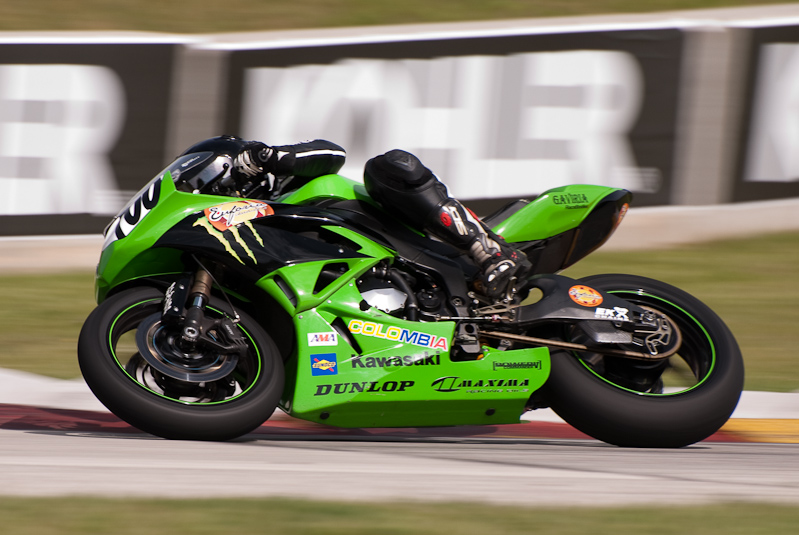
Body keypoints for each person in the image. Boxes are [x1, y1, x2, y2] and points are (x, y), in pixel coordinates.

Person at [233, 139, 530, 301]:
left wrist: (269, 157)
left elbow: (332, 152)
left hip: (404, 233)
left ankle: (490, 251)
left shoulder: (287, 187)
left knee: (390, 165)